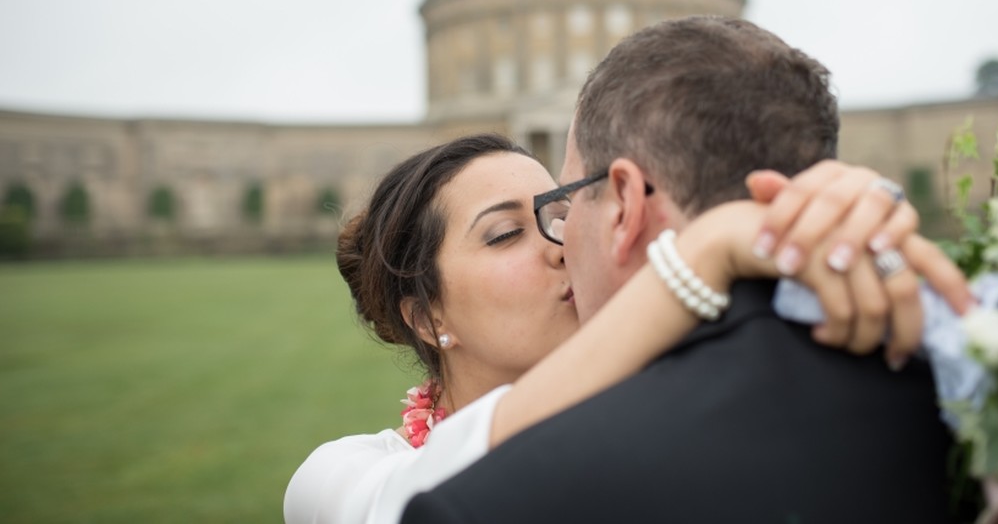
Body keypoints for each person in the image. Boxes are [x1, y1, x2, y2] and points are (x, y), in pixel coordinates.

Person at [401, 17, 968, 524]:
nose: (561, 242)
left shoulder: (500, 498)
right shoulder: (976, 382)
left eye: (569, 200)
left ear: (625, 203)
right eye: (505, 234)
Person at [285, 129, 962, 524]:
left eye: (558, 212)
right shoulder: (341, 475)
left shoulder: (675, 414)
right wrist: (701, 254)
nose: (559, 243)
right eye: (504, 234)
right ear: (427, 316)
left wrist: (826, 223)